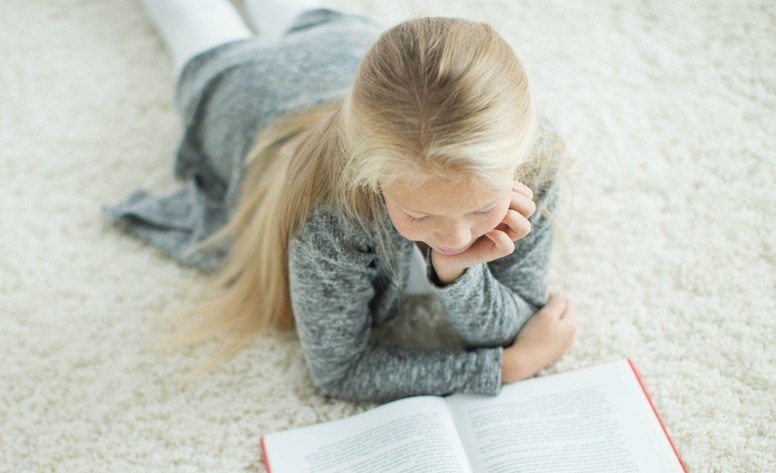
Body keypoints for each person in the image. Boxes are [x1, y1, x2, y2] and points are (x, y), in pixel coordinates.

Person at [103, 0, 577, 403]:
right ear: (369, 180)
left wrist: (457, 273)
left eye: (479, 208)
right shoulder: (331, 216)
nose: (454, 237)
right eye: (418, 213)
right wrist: (506, 368)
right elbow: (338, 372)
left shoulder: (532, 157)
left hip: (346, 43)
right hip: (245, 89)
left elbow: (514, 320)